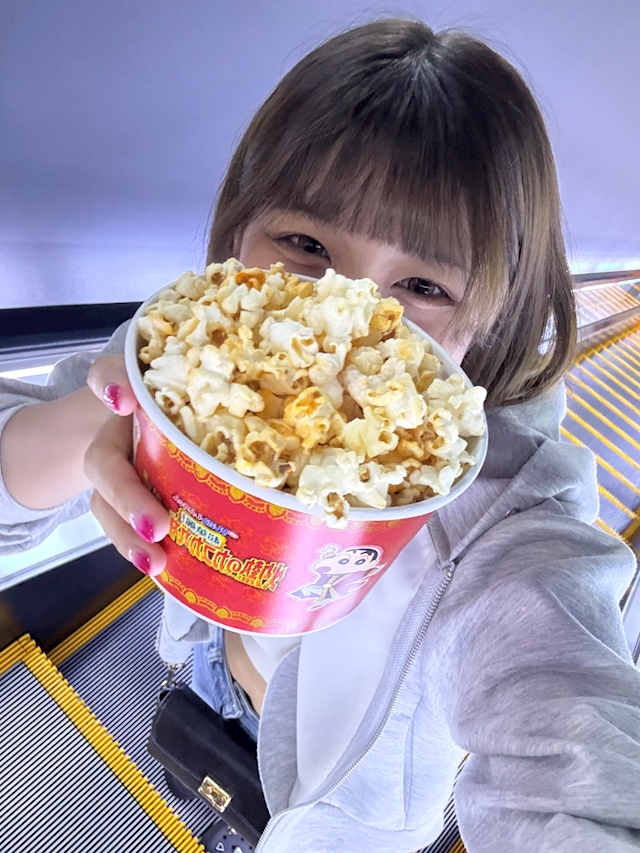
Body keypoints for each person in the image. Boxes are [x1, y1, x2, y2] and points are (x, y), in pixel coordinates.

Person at [1, 18, 639, 852]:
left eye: (423, 285)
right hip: (198, 664)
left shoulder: (511, 523)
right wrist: (111, 419)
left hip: (339, 810)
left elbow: (574, 747)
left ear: (485, 321)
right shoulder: (182, 359)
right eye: (303, 242)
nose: (344, 318)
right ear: (238, 234)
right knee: (185, 764)